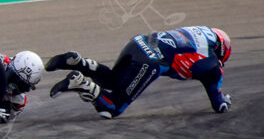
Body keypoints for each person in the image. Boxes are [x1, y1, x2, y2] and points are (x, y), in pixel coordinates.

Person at [46, 26, 232, 118]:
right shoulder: (213, 67)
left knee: (112, 80)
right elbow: (219, 105)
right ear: (221, 50)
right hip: (152, 60)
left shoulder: (200, 32)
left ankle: (80, 63)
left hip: (140, 42)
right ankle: (81, 84)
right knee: (113, 107)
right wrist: (224, 100)